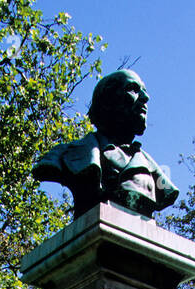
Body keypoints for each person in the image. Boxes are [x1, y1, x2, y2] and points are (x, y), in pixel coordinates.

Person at [32, 69, 179, 221]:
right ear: (108, 100)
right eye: (133, 89)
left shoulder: (154, 171)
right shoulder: (63, 155)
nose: (145, 97)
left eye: (144, 91)